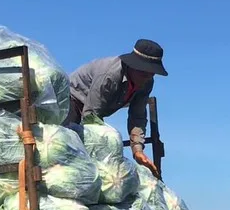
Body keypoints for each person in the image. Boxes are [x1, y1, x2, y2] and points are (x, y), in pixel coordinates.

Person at [68, 39, 167, 176]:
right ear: (133, 67)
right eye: (144, 74)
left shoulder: (147, 82)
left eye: (152, 74)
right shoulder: (109, 75)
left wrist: (137, 150)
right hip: (73, 99)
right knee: (70, 143)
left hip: (93, 109)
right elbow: (91, 117)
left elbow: (137, 115)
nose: (147, 78)